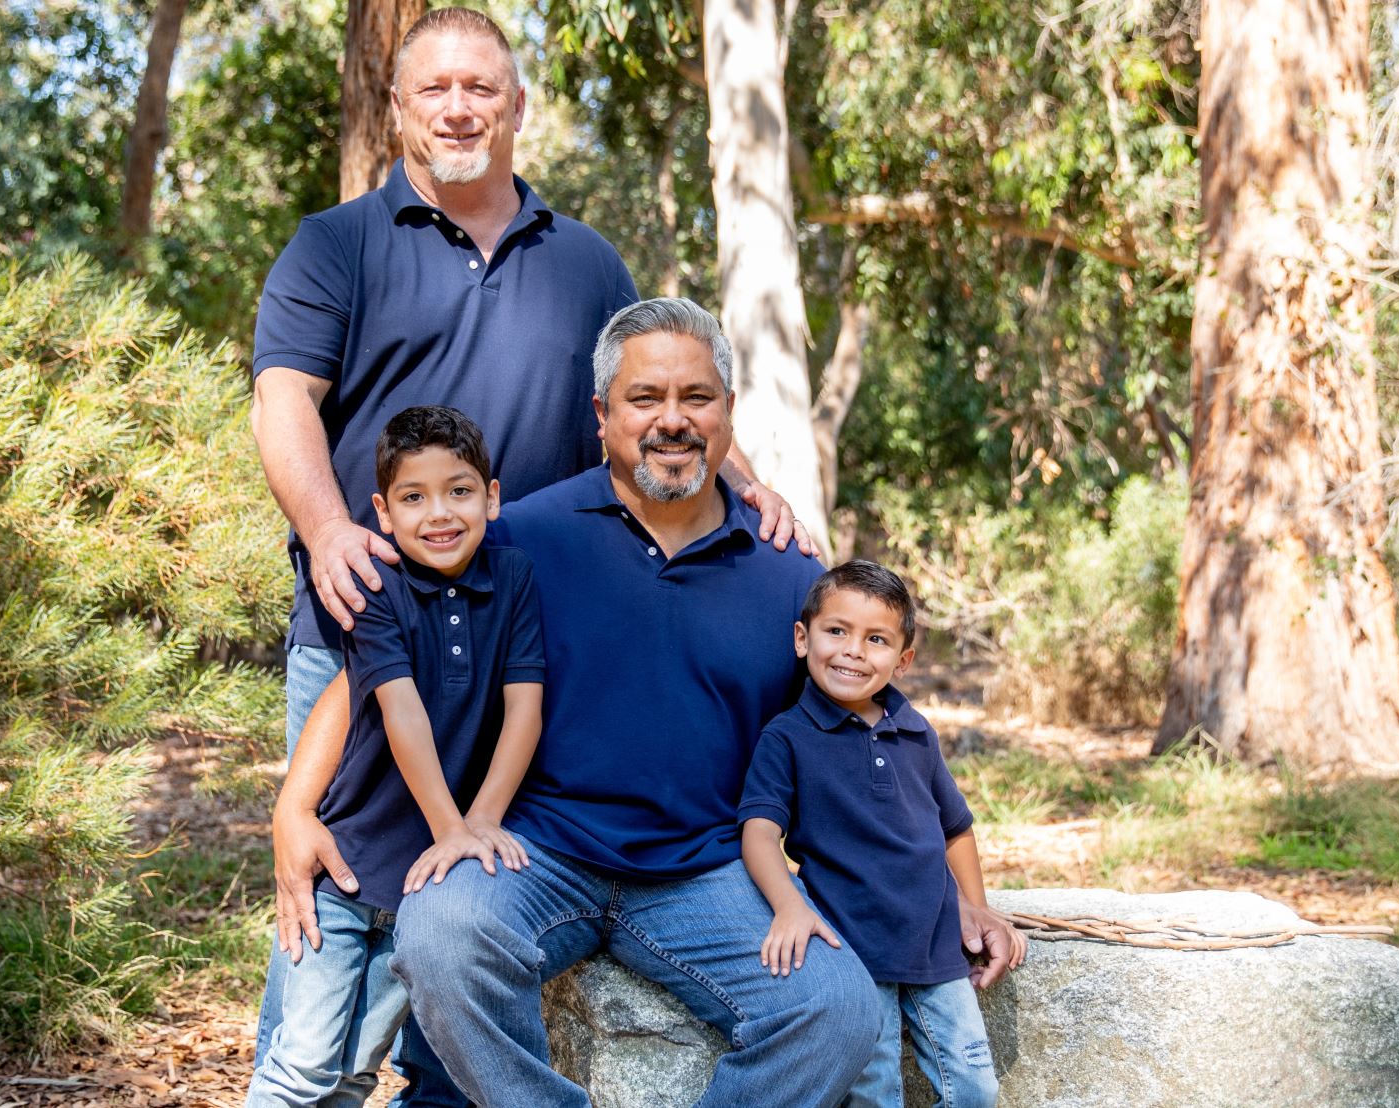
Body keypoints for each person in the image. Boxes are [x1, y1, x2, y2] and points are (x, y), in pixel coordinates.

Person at [266, 297, 1016, 1107]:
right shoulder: (517, 537)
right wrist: (294, 807)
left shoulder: (790, 575)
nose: (673, 421)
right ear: (601, 414)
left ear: (728, 413)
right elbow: (376, 671)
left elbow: (879, 751)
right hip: (538, 850)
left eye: (696, 398)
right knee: (441, 932)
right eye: (645, 399)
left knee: (834, 1010)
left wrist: (966, 902)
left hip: (709, 871)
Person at [249, 8, 801, 1086]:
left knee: (464, 905)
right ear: (396, 106)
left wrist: (749, 487)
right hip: (365, 631)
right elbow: (282, 400)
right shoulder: (335, 246)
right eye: (435, 90)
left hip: (513, 653)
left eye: (482, 89)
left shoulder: (586, 260)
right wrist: (325, 529)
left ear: (516, 107)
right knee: (338, 907)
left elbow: (649, 396)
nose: (459, 109)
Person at [248, 407, 545, 1106]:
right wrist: (453, 829)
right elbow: (398, 708)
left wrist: (481, 822)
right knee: (304, 1068)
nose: (439, 514)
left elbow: (524, 707)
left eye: (460, 491)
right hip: (349, 871)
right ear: (383, 511)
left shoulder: (516, 578)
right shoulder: (378, 588)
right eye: (414, 497)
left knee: (354, 1072)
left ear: (492, 496)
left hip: (424, 888)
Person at [739, 560, 1026, 1108]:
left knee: (974, 1089)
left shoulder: (916, 733)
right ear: (803, 638)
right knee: (872, 1096)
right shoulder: (788, 737)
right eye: (836, 631)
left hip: (937, 947)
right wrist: (788, 907)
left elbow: (955, 829)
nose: (852, 650)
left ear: (903, 659)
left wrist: (977, 908)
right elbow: (758, 832)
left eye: (876, 639)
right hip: (853, 950)